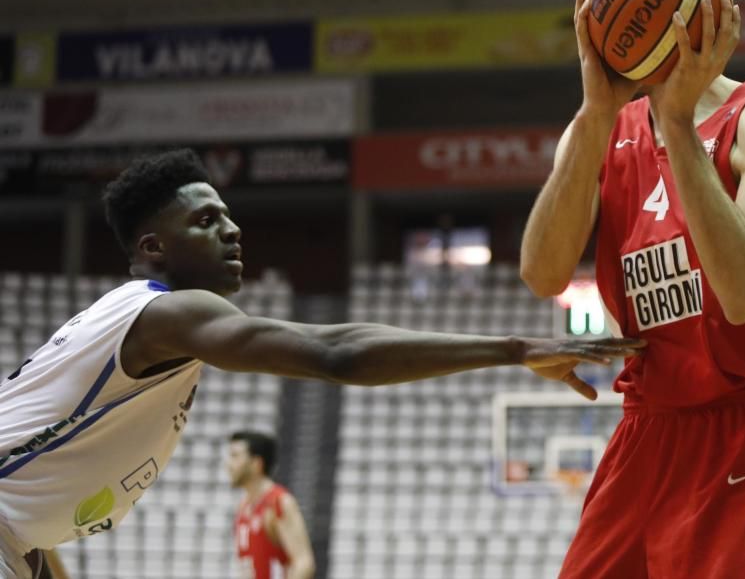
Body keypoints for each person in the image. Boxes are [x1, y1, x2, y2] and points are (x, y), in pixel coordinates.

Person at [0, 149, 643, 579]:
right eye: (206, 220)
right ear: (152, 247)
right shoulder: (169, 312)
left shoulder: (142, 324)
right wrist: (514, 349)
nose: (233, 230)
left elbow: (28, 512)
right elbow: (335, 353)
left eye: (229, 215)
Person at [520, 0, 745, 579]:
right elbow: (543, 272)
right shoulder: (603, 131)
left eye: (639, 0)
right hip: (643, 431)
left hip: (742, 434)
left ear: (698, 9)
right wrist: (596, 111)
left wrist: (678, 126)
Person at [227, 431, 314, 579]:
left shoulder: (278, 502)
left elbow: (304, 563)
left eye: (235, 456)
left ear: (256, 464)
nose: (228, 464)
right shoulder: (243, 506)